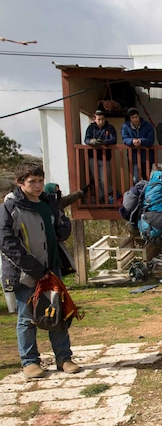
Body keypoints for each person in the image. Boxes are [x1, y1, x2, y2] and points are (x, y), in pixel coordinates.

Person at [0, 163, 81, 379]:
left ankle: (64, 358)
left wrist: (62, 229)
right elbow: (8, 243)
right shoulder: (10, 208)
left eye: (40, 181)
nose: (37, 186)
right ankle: (30, 362)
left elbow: (62, 224)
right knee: (27, 318)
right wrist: (36, 269)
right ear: (20, 183)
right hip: (25, 272)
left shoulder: (49, 202)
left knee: (58, 312)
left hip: (52, 268)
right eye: (32, 182)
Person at [83, 109, 117, 203]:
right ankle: (102, 199)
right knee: (96, 179)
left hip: (105, 157)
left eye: (102, 119)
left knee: (104, 179)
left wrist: (104, 142)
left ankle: (109, 195)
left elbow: (113, 139)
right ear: (95, 119)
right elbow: (86, 139)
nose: (101, 121)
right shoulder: (91, 128)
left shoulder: (110, 128)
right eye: (99, 119)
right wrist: (92, 141)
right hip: (92, 157)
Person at [121, 108, 155, 185]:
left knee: (146, 177)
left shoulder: (148, 125)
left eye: (136, 117)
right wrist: (132, 141)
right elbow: (125, 139)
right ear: (130, 118)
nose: (135, 119)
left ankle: (145, 195)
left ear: (139, 116)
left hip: (147, 156)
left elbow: (151, 140)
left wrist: (140, 141)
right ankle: (137, 195)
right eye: (133, 118)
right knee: (135, 178)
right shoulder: (125, 126)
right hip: (133, 156)